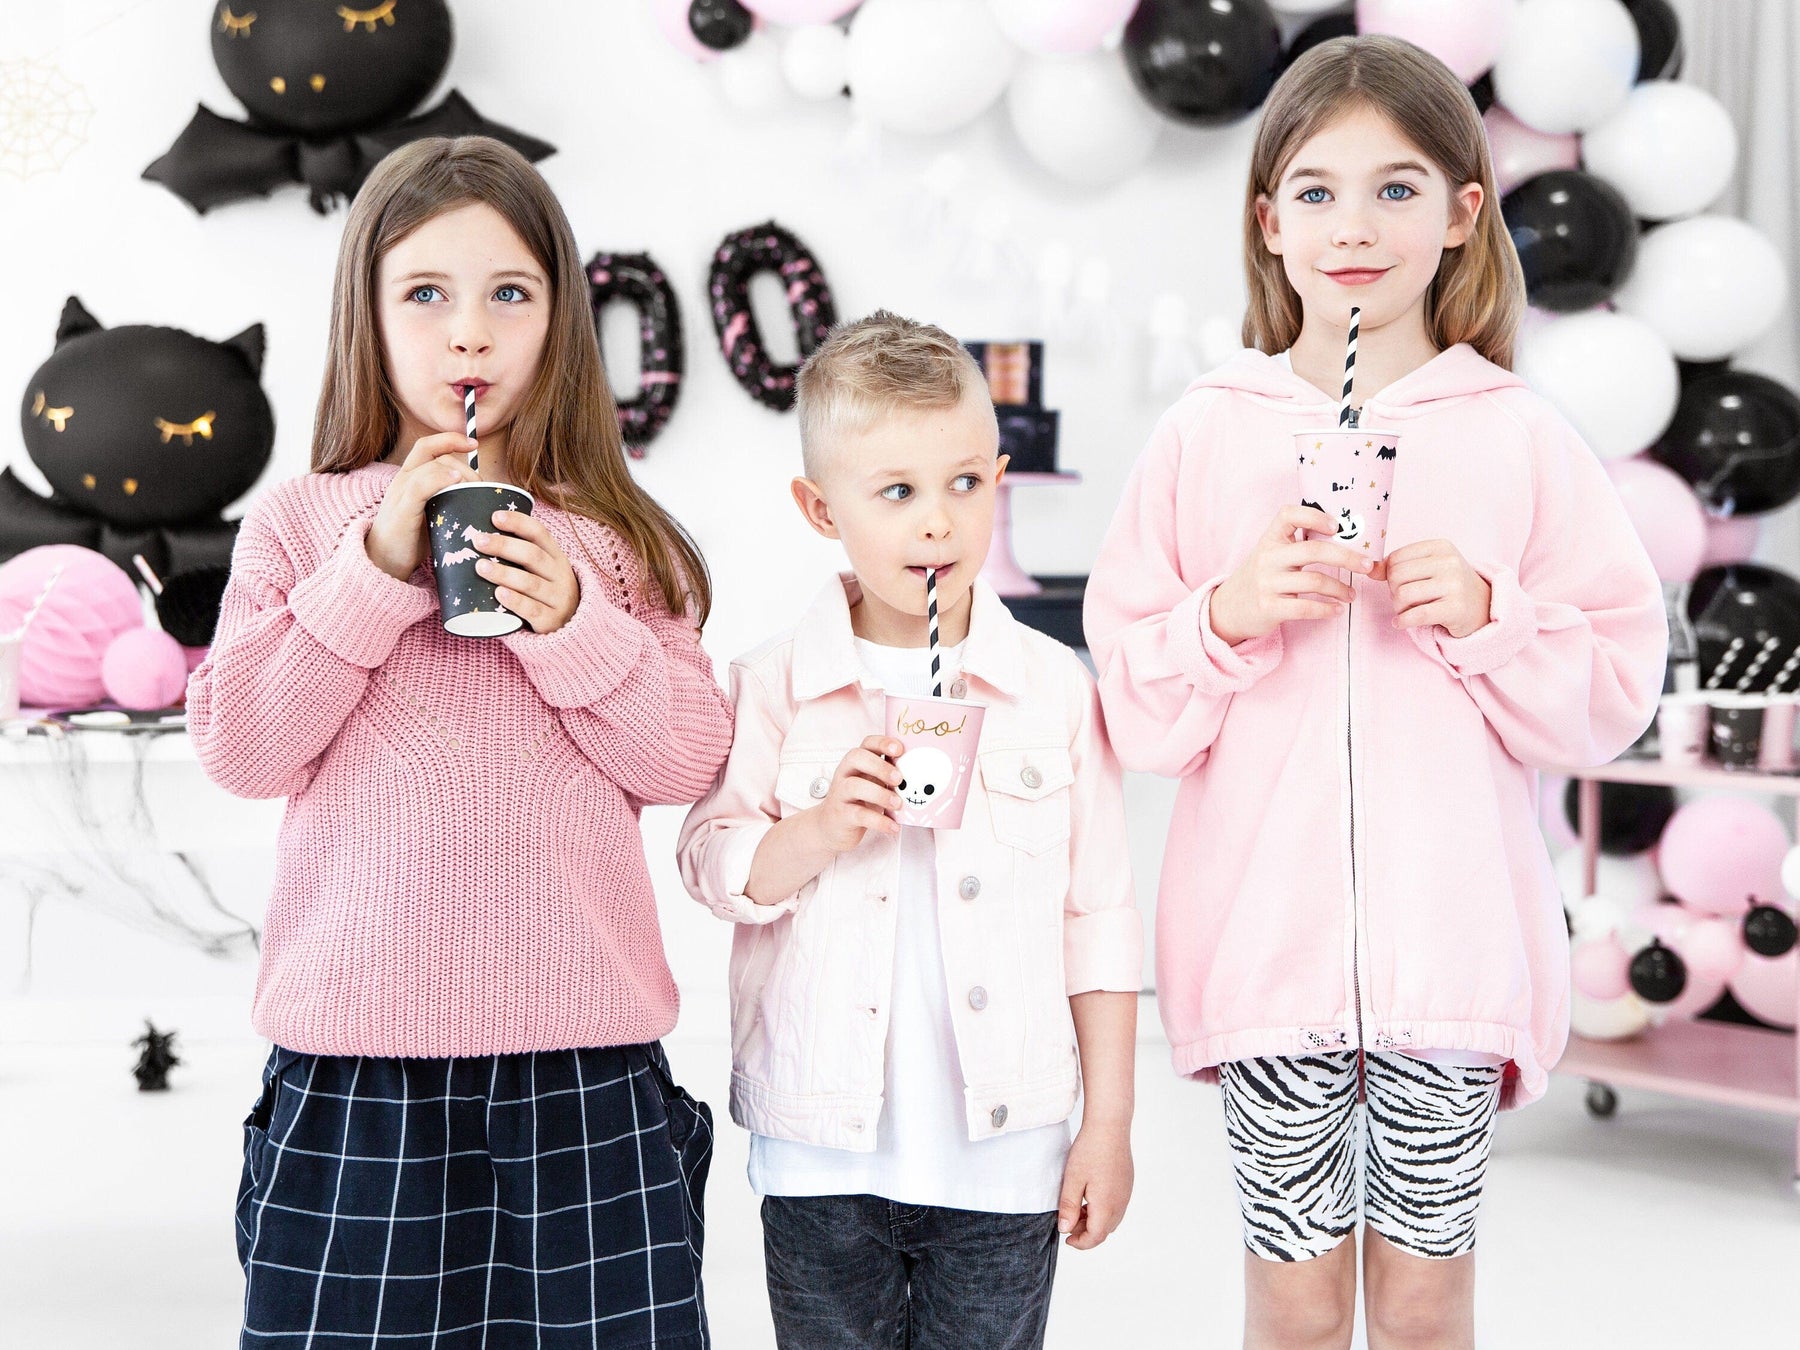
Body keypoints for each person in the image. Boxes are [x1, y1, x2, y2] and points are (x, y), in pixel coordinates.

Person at [1084, 37, 1666, 1350]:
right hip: (1265, 960)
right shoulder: (1207, 429)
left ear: (1463, 213)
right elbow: (1133, 708)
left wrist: (1498, 618)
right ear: (1269, 223)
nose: (1354, 226)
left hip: (1454, 966)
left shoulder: (1518, 432)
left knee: (1422, 1303)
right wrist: (1225, 614)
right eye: (1318, 191)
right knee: (1293, 1305)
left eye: (1397, 189)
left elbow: (1616, 688)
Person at [189, 136, 732, 1348]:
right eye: (426, 294)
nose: (470, 334)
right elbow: (242, 748)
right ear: (368, 318)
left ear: (561, 319)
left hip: (585, 1068)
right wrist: (373, 571)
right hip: (356, 1076)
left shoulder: (617, 539)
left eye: (510, 294)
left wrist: (575, 622)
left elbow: (687, 759)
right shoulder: (302, 525)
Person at [678, 311, 1141, 1350]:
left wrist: (1107, 1126)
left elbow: (1099, 920)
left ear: (999, 480)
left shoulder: (1053, 689)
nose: (939, 523)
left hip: (1005, 1161)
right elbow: (710, 862)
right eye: (896, 492)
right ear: (820, 508)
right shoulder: (773, 685)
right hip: (822, 1160)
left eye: (965, 483)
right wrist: (815, 830)